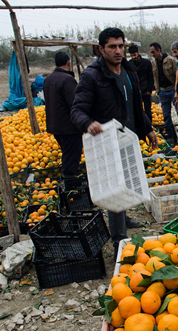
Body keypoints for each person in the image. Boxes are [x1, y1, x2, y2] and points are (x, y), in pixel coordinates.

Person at [71, 27, 158, 254]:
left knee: (128, 180)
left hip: (127, 137)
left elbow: (137, 107)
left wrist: (148, 129)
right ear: (101, 49)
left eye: (121, 46)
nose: (118, 51)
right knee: (115, 187)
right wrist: (88, 123)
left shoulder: (130, 71)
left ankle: (123, 217)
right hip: (107, 140)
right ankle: (119, 240)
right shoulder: (92, 76)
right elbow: (77, 110)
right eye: (112, 47)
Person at [42, 52, 82, 182]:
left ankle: (69, 180)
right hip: (68, 127)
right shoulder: (67, 79)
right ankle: (70, 185)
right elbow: (74, 103)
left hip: (55, 126)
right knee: (71, 155)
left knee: (67, 153)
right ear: (69, 63)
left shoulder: (48, 79)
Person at [150, 42, 178, 145]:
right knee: (165, 114)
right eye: (151, 52)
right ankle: (170, 134)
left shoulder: (170, 60)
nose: (152, 54)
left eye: (153, 52)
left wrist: (177, 90)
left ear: (159, 50)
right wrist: (157, 90)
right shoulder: (153, 63)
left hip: (172, 89)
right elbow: (154, 77)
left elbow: (177, 75)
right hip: (162, 91)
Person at [128, 45, 154, 123]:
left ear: (138, 53)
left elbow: (150, 77)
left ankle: (149, 125)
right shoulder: (129, 64)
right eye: (131, 55)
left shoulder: (146, 63)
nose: (133, 57)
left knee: (147, 110)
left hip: (145, 90)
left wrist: (149, 89)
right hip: (135, 91)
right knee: (137, 110)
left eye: (134, 55)